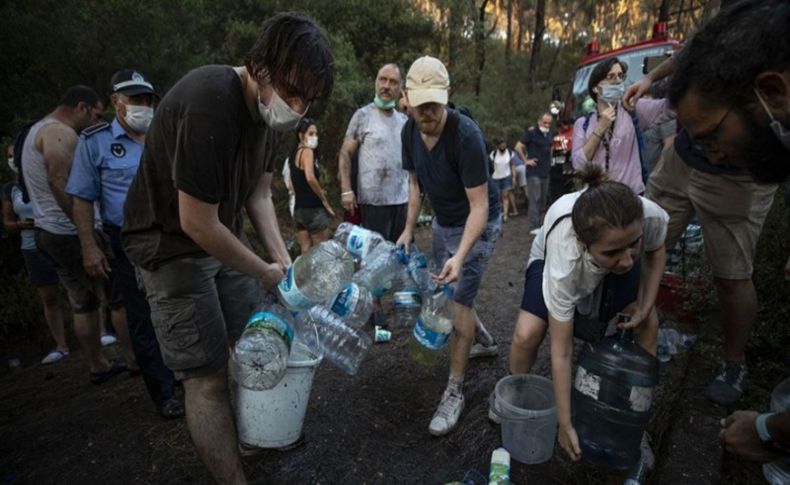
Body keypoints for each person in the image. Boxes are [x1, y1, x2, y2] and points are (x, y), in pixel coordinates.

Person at [121, 13, 334, 484]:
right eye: (292, 91)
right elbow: (195, 221)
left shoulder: (272, 116)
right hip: (169, 247)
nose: (296, 108)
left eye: (307, 99)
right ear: (260, 67)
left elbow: (258, 195)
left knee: (255, 337)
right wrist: (261, 269)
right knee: (207, 376)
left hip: (220, 236)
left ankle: (250, 435)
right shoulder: (209, 102)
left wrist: (282, 260)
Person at [623, 0, 789, 405]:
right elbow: (693, 52)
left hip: (738, 187)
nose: (711, 150)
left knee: (731, 275)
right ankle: (630, 328)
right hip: (677, 167)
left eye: (713, 135)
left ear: (769, 92)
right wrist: (652, 81)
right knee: (639, 246)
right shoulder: (736, 30)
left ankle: (734, 364)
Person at [506, 164, 667, 467]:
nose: (627, 259)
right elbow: (562, 350)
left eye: (634, 244)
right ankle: (515, 398)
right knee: (527, 332)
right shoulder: (565, 257)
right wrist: (565, 425)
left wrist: (646, 305)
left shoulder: (648, 215)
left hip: (602, 247)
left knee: (648, 325)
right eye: (614, 253)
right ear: (583, 242)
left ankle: (634, 423)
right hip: (553, 257)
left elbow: (656, 251)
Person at [65, 69, 184, 419]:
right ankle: (164, 392)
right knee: (142, 315)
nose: (142, 106)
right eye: (134, 99)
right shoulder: (95, 142)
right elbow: (82, 199)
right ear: (116, 102)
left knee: (178, 305)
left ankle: (182, 372)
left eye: (147, 99)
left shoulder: (165, 133)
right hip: (129, 238)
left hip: (174, 233)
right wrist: (89, 246)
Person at [397, 56, 502, 436]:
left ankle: (454, 390)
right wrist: (409, 229)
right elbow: (414, 185)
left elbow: (480, 206)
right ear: (407, 99)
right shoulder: (408, 131)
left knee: (457, 300)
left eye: (434, 102)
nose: (427, 111)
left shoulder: (466, 136)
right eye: (420, 102)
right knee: (447, 289)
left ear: (448, 95)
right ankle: (484, 340)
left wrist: (460, 255)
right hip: (443, 221)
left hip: (479, 224)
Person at [21, 85, 131, 384]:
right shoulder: (60, 134)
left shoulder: (36, 130)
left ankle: (99, 364)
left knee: (83, 301)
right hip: (68, 231)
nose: (96, 122)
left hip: (48, 231)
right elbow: (60, 180)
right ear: (81, 107)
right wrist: (86, 235)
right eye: (95, 114)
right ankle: (134, 360)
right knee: (118, 295)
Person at [2, 143, 69, 365]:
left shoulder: (45, 177)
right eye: (10, 156)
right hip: (32, 246)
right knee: (49, 297)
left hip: (59, 240)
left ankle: (99, 333)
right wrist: (22, 225)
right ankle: (61, 345)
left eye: (16, 155)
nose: (13, 159)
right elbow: (8, 222)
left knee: (79, 287)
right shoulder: (10, 189)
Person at [571, 57, 674, 195]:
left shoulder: (633, 109)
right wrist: (599, 129)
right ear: (595, 88)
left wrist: (651, 82)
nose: (618, 81)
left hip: (631, 196)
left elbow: (671, 109)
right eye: (610, 77)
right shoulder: (583, 124)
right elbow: (578, 165)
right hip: (597, 199)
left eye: (620, 76)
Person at [339, 63, 409, 242]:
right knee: (374, 260)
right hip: (372, 204)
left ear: (400, 88)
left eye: (393, 82)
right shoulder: (362, 116)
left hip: (402, 202)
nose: (386, 85)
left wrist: (410, 109)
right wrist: (346, 190)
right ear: (376, 83)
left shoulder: (404, 120)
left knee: (398, 257)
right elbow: (345, 153)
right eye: (382, 80)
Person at [289, 117, 335, 253]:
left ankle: (301, 275)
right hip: (314, 208)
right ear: (301, 135)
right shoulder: (307, 152)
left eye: (316, 134)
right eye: (311, 134)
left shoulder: (293, 155)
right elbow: (310, 177)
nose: (314, 137)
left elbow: (292, 183)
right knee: (321, 252)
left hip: (299, 209)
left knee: (305, 251)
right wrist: (324, 200)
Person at [515, 113, 554, 233]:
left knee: (543, 200)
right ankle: (534, 226)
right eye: (545, 122)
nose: (547, 125)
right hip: (534, 172)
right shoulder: (531, 133)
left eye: (549, 123)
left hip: (545, 170)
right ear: (539, 121)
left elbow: (551, 148)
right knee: (534, 198)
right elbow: (518, 146)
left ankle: (541, 224)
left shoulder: (549, 134)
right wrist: (525, 161)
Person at [488, 139, 516, 222]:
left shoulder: (510, 153)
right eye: (501, 145)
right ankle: (498, 214)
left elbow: (512, 165)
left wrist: (514, 176)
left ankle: (505, 215)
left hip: (506, 177)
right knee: (497, 197)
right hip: (495, 177)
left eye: (504, 145)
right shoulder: (493, 154)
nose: (503, 146)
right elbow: (490, 165)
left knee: (505, 196)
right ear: (498, 145)